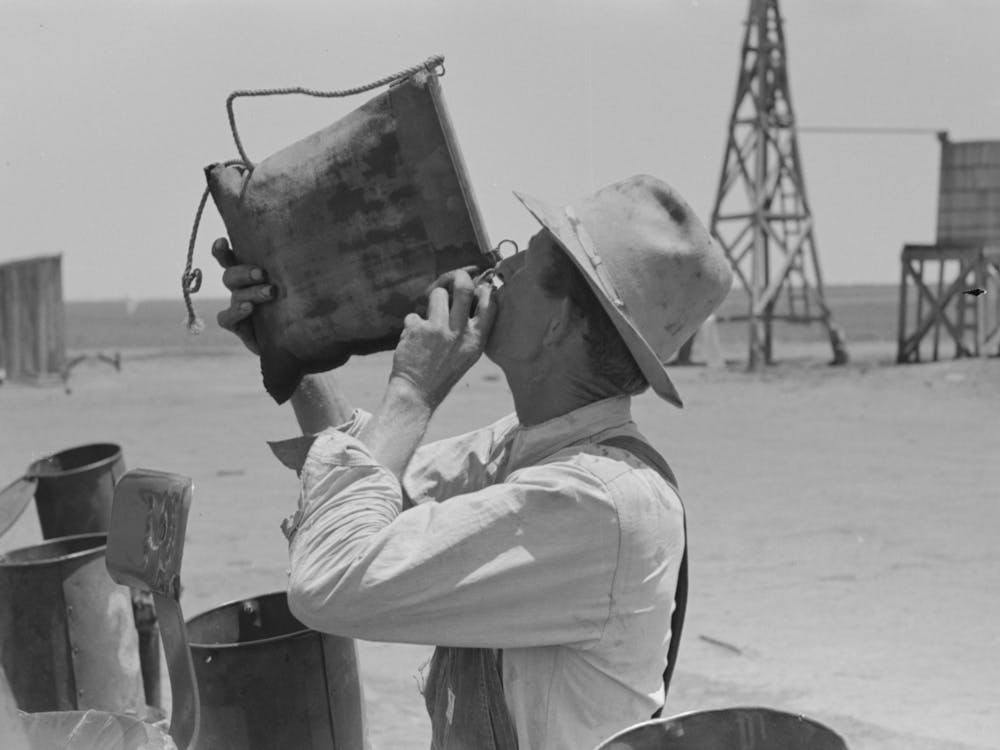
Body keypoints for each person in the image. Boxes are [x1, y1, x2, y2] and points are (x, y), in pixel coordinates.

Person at [215, 174, 732, 750]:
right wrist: (292, 346)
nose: (497, 269)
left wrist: (415, 388)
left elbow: (330, 579)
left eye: (524, 262)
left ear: (561, 322)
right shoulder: (527, 448)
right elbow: (370, 486)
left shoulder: (598, 500)